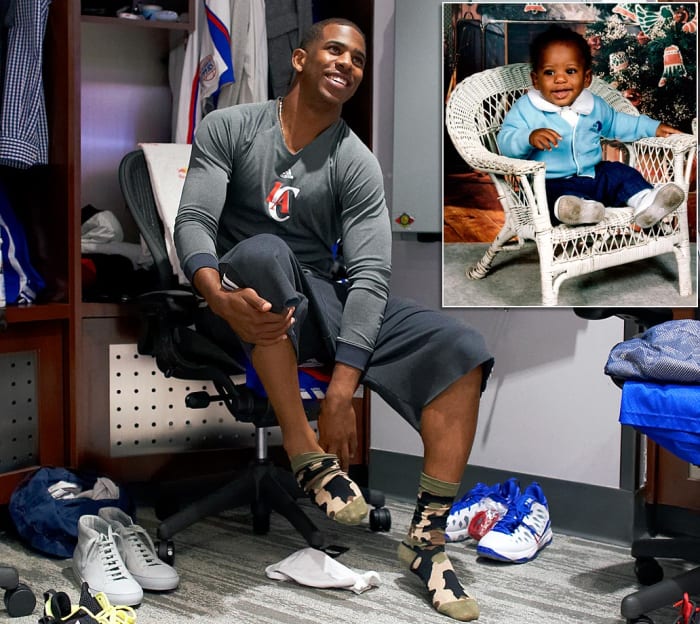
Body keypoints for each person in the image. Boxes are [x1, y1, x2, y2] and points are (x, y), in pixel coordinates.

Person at [174, 17, 493, 622]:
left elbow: (371, 276)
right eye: (334, 49)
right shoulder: (231, 127)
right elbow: (192, 221)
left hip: (315, 299)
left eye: (359, 59)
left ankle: (426, 541)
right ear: (299, 58)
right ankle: (304, 450)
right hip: (234, 304)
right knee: (264, 253)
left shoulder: (356, 161)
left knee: (461, 346)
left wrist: (343, 391)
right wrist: (214, 293)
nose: (347, 63)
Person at [497, 25, 685, 228]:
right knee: (551, 196)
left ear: (586, 78)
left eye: (570, 71)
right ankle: (580, 210)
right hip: (550, 182)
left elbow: (618, 122)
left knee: (619, 172)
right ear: (536, 80)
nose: (560, 79)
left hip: (593, 175)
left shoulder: (592, 105)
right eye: (549, 72)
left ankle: (646, 201)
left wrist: (652, 128)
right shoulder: (527, 107)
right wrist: (528, 137)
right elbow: (505, 141)